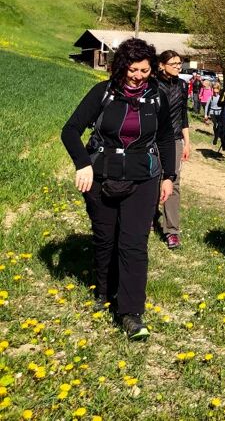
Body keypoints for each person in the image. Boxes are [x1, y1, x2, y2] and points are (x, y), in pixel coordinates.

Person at [60, 38, 175, 341]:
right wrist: (83, 163)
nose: (138, 76)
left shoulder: (158, 97)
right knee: (105, 238)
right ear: (122, 67)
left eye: (145, 71)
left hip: (143, 179)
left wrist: (169, 177)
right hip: (101, 177)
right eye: (133, 70)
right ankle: (104, 290)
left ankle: (131, 313)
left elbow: (165, 138)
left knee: (134, 243)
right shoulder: (103, 93)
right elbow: (70, 130)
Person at [154, 50, 190, 250]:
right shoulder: (152, 85)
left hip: (174, 139)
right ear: (161, 65)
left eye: (180, 63)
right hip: (151, 139)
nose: (178, 66)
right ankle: (146, 217)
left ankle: (172, 231)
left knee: (173, 182)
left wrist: (187, 141)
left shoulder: (182, 85)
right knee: (150, 179)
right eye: (174, 63)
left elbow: (183, 115)